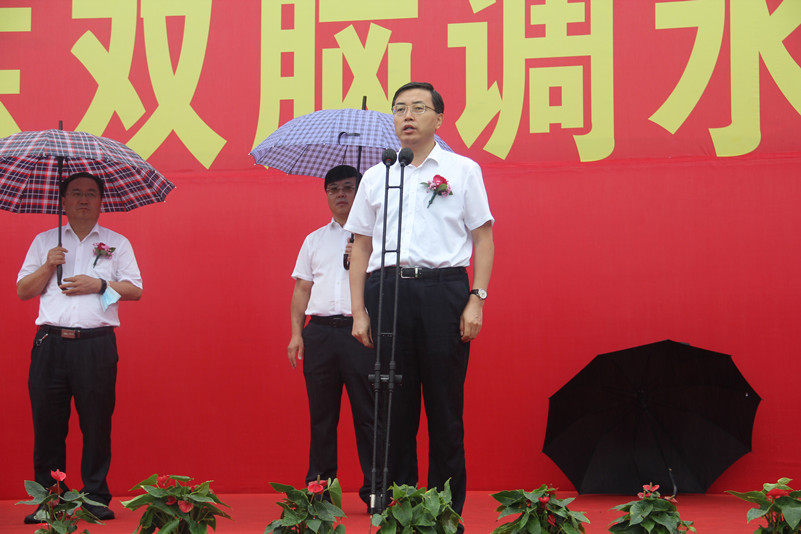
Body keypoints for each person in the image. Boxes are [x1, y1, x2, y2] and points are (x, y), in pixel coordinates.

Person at [345, 82, 494, 524]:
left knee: (446, 411)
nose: (407, 116)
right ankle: (402, 513)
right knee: (394, 410)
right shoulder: (378, 176)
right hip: (387, 292)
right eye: (399, 109)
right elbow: (361, 246)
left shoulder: (462, 170)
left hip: (443, 291)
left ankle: (445, 514)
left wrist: (476, 298)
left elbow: (483, 237)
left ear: (438, 118)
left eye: (417, 108)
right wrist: (358, 310)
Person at [17, 172, 143, 523]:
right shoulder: (45, 242)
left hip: (96, 346)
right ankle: (50, 499)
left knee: (96, 424)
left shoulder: (117, 243)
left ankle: (95, 496)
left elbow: (135, 290)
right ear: (63, 201)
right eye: (75, 193)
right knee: (48, 426)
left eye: (90, 193)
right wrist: (49, 265)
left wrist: (98, 284)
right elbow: (24, 291)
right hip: (50, 344)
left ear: (101, 201)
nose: (83, 199)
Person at [288, 165, 379, 511]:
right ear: (326, 195)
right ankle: (319, 491)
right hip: (321, 334)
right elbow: (302, 288)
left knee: (368, 415)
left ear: (360, 192)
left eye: (348, 187)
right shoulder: (314, 240)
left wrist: (363, 255)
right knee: (322, 417)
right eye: (333, 189)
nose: (341, 194)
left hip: (361, 334)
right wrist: (296, 334)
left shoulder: (377, 238)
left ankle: (376, 490)